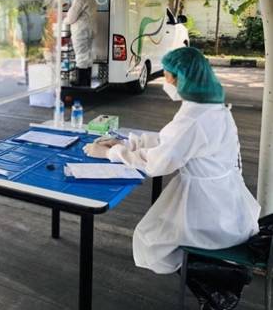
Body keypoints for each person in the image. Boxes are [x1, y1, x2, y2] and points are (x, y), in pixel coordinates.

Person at [83, 47, 260, 307]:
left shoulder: (194, 118)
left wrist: (112, 153)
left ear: (181, 79)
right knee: (156, 233)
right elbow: (173, 142)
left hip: (209, 210)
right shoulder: (210, 107)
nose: (165, 80)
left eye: (167, 75)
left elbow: (159, 163)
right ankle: (213, 274)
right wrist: (128, 142)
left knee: (150, 239)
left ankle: (216, 279)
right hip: (227, 202)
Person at [64, 0, 97, 86]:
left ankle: (80, 82)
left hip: (81, 31)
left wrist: (63, 20)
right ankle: (86, 81)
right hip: (90, 30)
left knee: (81, 56)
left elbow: (71, 18)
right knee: (87, 56)